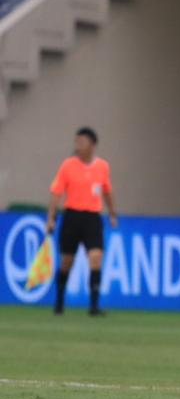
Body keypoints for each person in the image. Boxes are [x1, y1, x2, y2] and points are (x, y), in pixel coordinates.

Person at [45, 127, 117, 316]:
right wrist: (51, 218)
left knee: (95, 258)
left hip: (92, 218)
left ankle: (94, 306)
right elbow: (56, 192)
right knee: (67, 261)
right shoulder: (68, 165)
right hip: (72, 217)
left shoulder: (102, 166)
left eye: (82, 142)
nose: (78, 145)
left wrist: (112, 213)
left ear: (92, 145)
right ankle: (59, 301)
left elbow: (107, 191)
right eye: (76, 142)